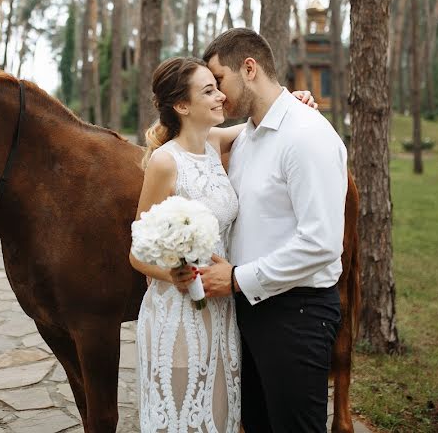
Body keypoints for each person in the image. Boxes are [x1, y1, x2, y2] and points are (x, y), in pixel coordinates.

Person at [130, 56, 316, 433]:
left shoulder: (215, 142)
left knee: (220, 418)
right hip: (179, 314)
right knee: (182, 417)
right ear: (182, 106)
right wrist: (175, 274)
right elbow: (136, 251)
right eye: (208, 91)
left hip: (222, 309)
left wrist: (295, 101)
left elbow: (264, 121)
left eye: (217, 87)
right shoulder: (166, 163)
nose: (220, 97)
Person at [198, 28, 348, 433]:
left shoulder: (306, 135)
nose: (218, 95)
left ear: (249, 69)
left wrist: (235, 277)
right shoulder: (247, 136)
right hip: (251, 311)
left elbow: (321, 243)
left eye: (220, 82)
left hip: (297, 314)